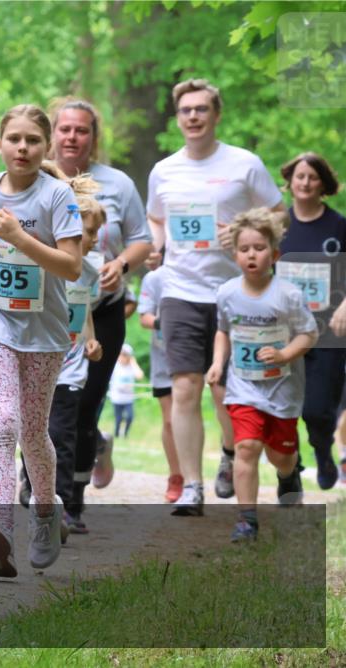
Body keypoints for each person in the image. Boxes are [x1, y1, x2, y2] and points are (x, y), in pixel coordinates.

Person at [146, 78, 284, 516]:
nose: (193, 116)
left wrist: (245, 231)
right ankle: (192, 486)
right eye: (185, 110)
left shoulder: (244, 164)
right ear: (177, 116)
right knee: (185, 388)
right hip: (181, 290)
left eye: (201, 109)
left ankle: (229, 454)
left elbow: (280, 214)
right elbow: (156, 219)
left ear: (216, 114)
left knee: (228, 392)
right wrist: (154, 246)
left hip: (236, 293)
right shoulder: (164, 170)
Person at [0, 104, 82, 576]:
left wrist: (19, 237)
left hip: (45, 332)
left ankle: (46, 514)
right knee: (4, 421)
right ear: (0, 143)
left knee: (33, 433)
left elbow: (71, 266)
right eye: (14, 138)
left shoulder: (58, 197)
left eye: (33, 139)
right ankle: (0, 528)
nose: (23, 148)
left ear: (46, 146)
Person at [48, 98, 152, 516]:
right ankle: (38, 484)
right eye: (65, 129)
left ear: (94, 136)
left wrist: (121, 264)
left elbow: (143, 240)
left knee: (85, 403)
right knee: (43, 403)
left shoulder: (119, 184)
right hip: (45, 309)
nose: (73, 137)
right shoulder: (37, 178)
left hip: (101, 310)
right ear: (53, 133)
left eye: (82, 130)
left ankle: (72, 498)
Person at [206, 208, 317, 540]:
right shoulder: (227, 293)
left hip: (283, 388)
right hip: (244, 387)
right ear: (235, 254)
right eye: (244, 249)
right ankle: (246, 519)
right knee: (247, 447)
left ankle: (288, 474)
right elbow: (223, 330)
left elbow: (308, 334)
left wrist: (284, 354)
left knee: (280, 455)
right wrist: (216, 362)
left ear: (275, 254)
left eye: (259, 248)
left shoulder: (288, 295)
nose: (251, 255)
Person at [18, 183, 106, 539]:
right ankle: (32, 486)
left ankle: (65, 506)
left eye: (99, 231)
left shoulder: (91, 271)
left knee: (62, 433)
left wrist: (92, 338)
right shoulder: (41, 261)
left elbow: (82, 310)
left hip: (71, 365)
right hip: (39, 358)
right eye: (89, 231)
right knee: (33, 428)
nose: (95, 239)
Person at [276, 152, 346, 489]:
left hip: (328, 333)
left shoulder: (339, 226)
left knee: (317, 409)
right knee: (284, 406)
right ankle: (291, 469)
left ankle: (322, 448)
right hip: (283, 333)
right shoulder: (277, 226)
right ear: (289, 181)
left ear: (323, 184)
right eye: (299, 176)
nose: (305, 183)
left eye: (312, 177)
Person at [138, 266, 183, 501]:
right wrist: (166, 322)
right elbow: (144, 317)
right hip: (163, 359)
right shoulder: (154, 278)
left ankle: (193, 478)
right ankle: (176, 476)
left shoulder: (198, 273)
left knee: (188, 416)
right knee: (169, 420)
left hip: (193, 357)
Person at [108, 343, 144, 439]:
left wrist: (133, 362)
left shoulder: (132, 366)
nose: (123, 356)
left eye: (125, 354)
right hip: (117, 398)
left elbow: (140, 376)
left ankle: (125, 434)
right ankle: (116, 434)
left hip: (128, 398)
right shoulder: (115, 366)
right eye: (121, 354)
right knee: (118, 419)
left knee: (130, 417)